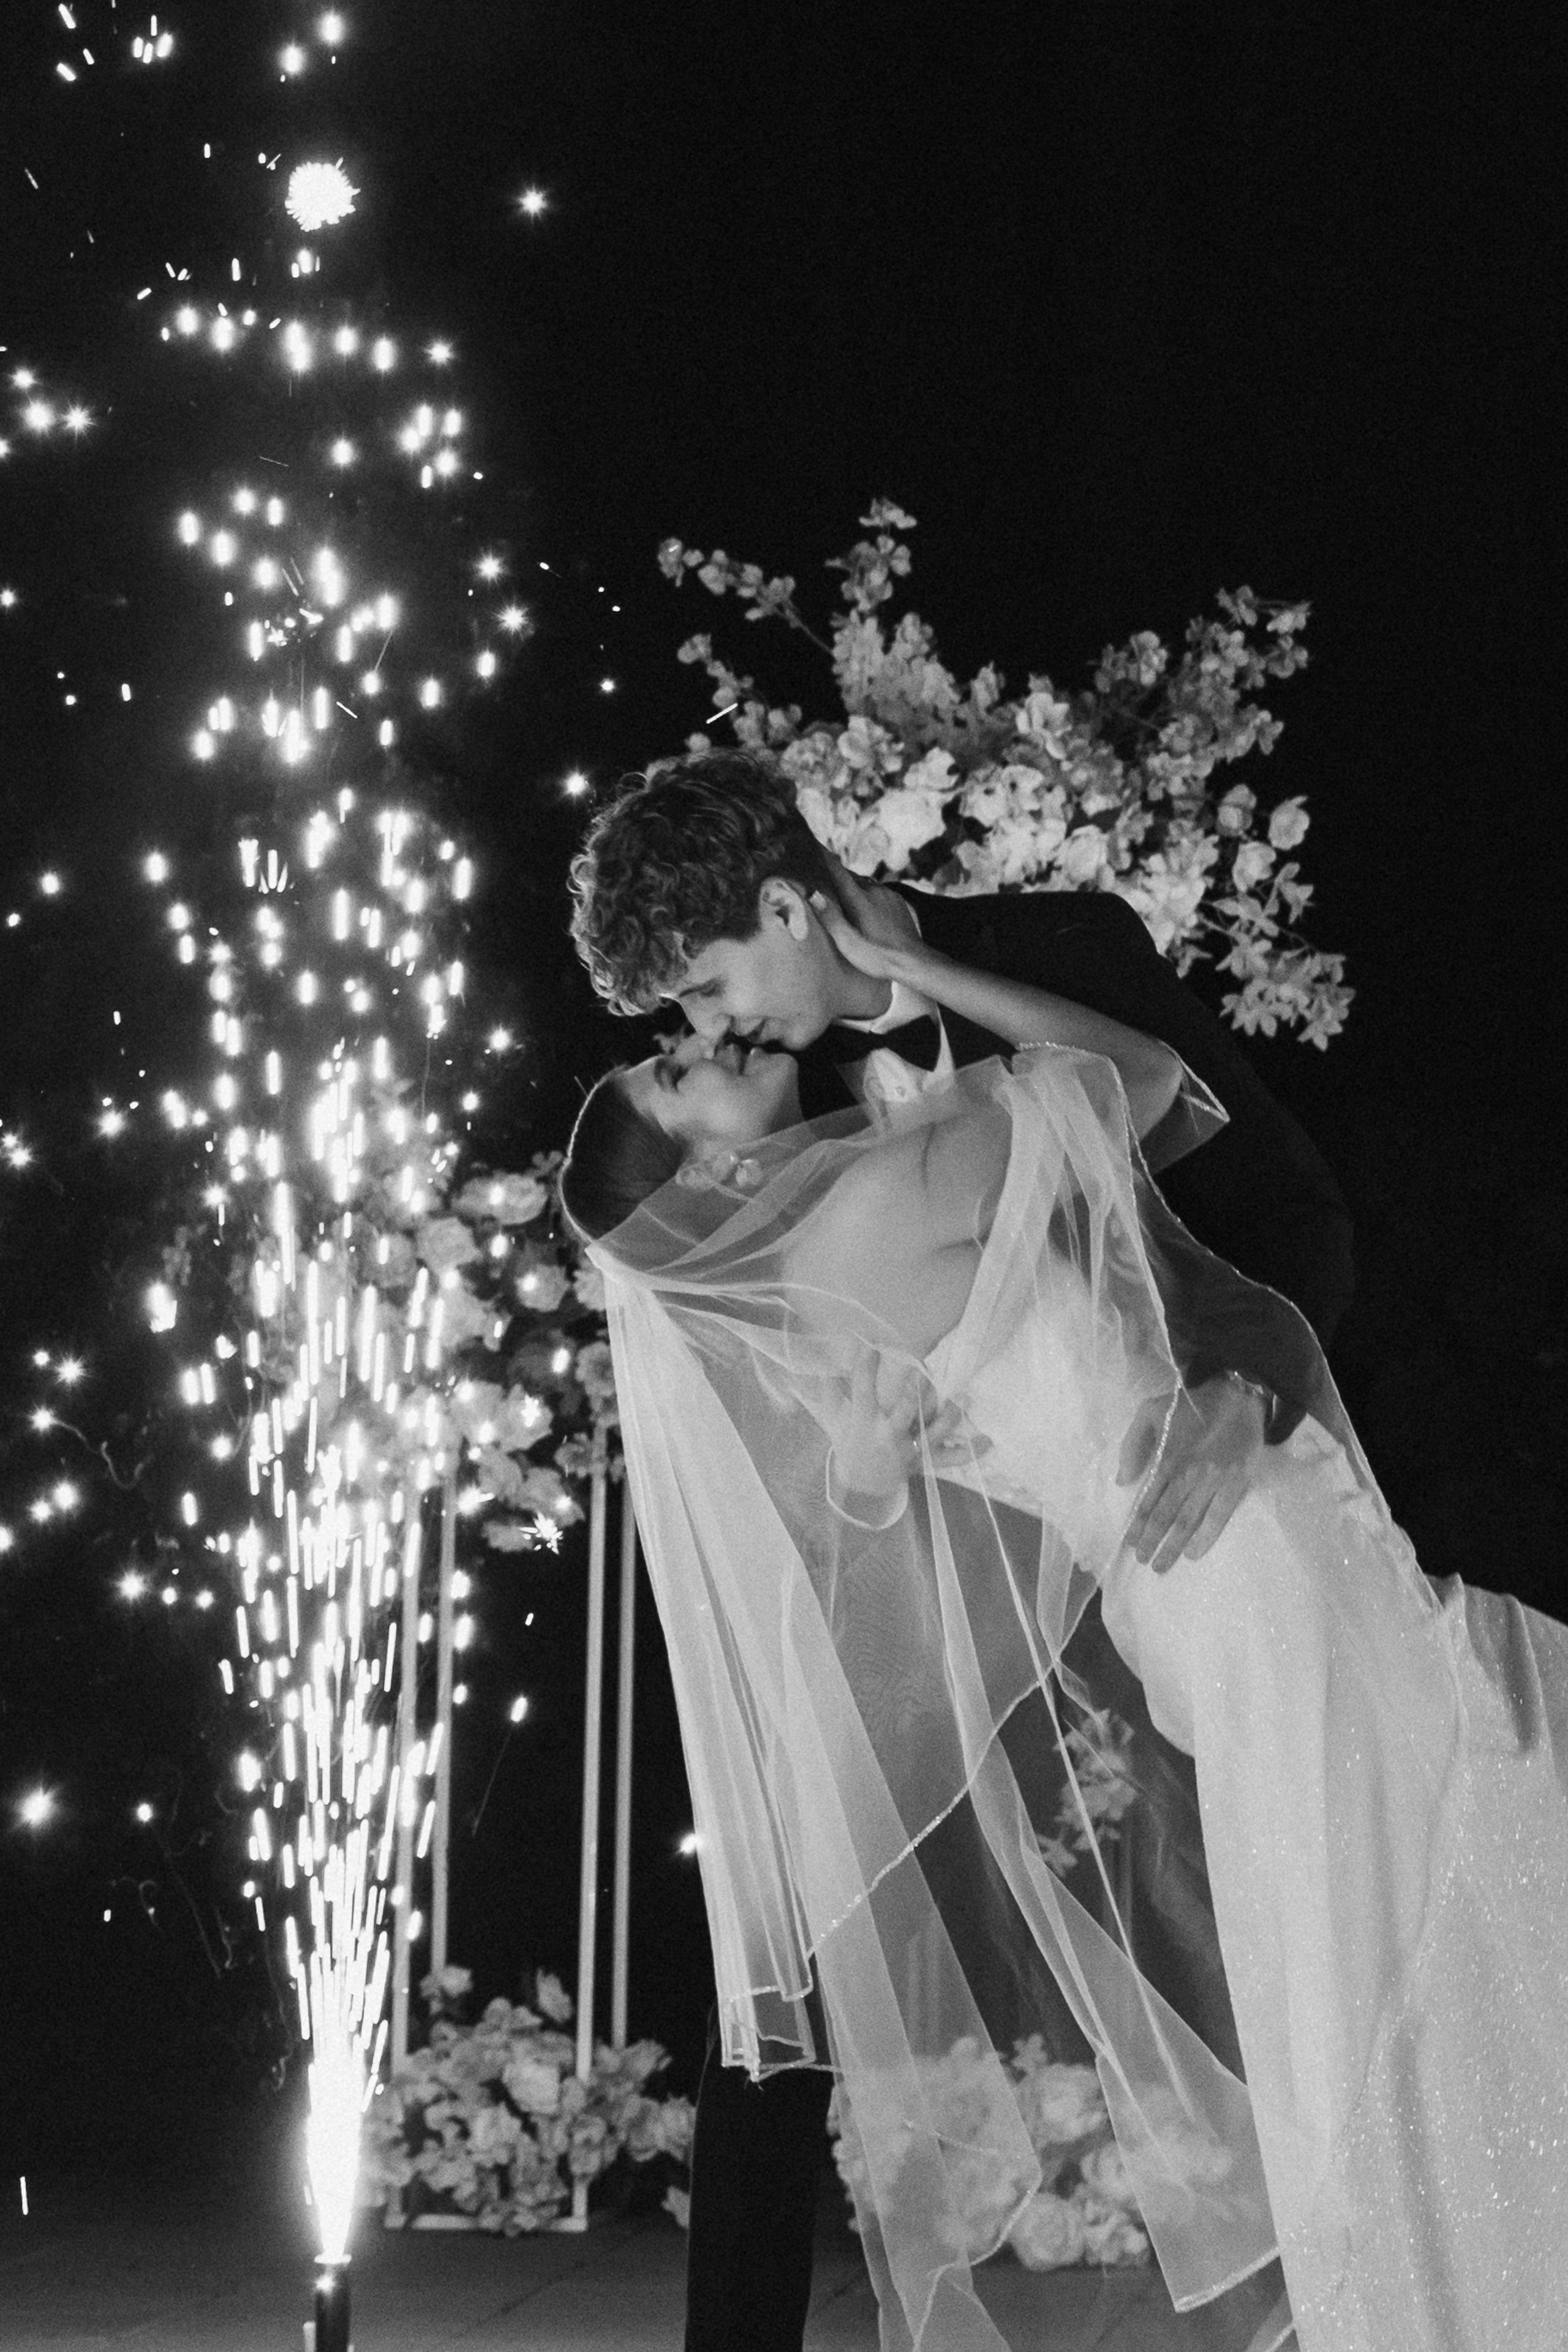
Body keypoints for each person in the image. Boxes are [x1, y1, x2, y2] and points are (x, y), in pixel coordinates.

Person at [557, 985, 1568, 2352]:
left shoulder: (805, 1316)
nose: (694, 1041)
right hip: (1244, 1539)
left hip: (1172, 1605)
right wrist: (889, 960)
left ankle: (1439, 2291)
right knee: (1453, 1863)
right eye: (671, 1076)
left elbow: (888, 1503)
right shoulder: (883, 1195)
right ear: (715, 1169)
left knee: (1364, 1944)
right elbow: (1142, 1079)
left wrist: (869, 1474)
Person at [567, 750, 1355, 2351]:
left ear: (791, 905)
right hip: (1008, 1571)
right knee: (795, 1904)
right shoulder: (795, 1130)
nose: (714, 1034)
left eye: (710, 988)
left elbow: (1289, 1220)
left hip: (1191, 1512)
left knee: (1303, 1918)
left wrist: (1243, 1397)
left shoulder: (1062, 950)